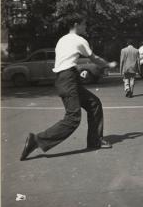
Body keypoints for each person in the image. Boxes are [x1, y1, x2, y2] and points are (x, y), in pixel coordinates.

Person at [20, 13, 112, 161]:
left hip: (66, 78)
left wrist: (76, 72)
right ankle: (37, 140)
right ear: (76, 24)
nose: (86, 26)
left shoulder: (62, 40)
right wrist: (107, 64)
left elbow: (64, 62)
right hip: (68, 80)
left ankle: (95, 140)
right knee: (73, 118)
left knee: (94, 104)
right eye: (84, 24)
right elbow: (94, 58)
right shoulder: (79, 40)